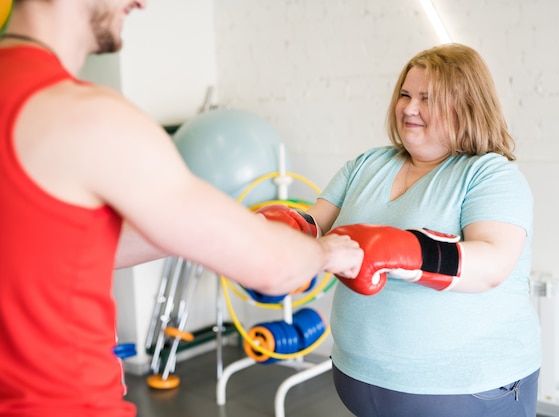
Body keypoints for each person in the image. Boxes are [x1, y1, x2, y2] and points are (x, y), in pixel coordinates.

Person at [0, 1, 363, 416]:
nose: (140, 2)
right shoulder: (86, 115)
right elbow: (275, 268)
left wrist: (202, 229)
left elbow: (65, 246)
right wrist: (329, 251)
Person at [306, 43, 541, 417]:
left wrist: (403, 250)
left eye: (427, 98)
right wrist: (280, 229)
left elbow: (493, 262)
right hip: (359, 378)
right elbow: (314, 221)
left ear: (465, 106)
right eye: (404, 94)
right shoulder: (368, 163)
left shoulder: (490, 174)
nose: (409, 108)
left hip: (467, 389)